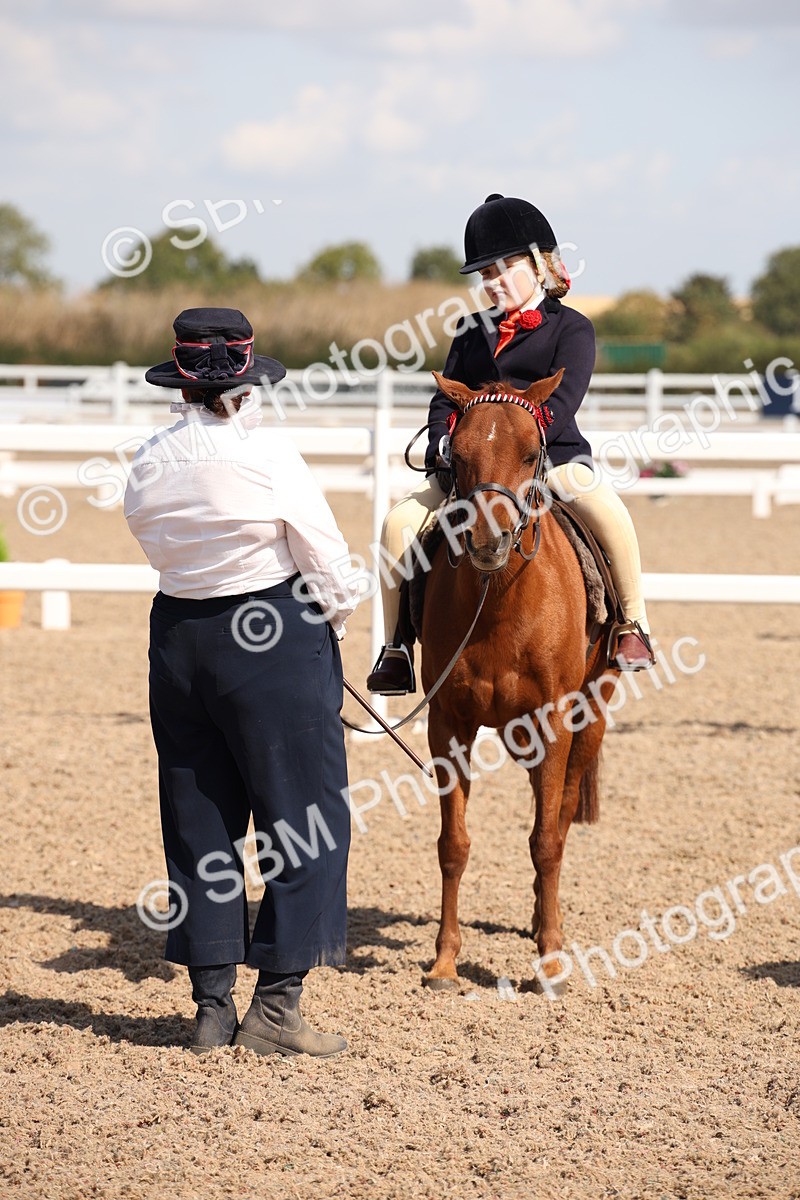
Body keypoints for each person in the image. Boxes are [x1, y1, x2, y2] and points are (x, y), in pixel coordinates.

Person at [124, 307, 359, 1057]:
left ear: (180, 384)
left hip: (179, 641)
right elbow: (330, 565)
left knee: (199, 822)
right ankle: (278, 1010)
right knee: (307, 822)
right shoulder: (271, 457)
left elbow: (149, 536)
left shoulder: (148, 458)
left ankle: (211, 1009)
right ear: (250, 381)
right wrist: (335, 628)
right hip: (273, 638)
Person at [367, 193, 655, 696]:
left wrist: (528, 435)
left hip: (550, 458)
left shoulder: (573, 328)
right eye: (485, 276)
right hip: (475, 468)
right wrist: (442, 441)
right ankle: (395, 648)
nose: (493, 283)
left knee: (607, 509)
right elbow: (444, 400)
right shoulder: (469, 331)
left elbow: (564, 399)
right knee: (398, 524)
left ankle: (632, 623)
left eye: (504, 269)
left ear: (540, 265)